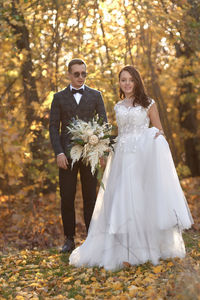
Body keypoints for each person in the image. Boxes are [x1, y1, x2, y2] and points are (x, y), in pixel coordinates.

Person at [69, 65, 193, 270]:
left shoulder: (148, 103)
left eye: (130, 80)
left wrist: (154, 138)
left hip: (143, 156)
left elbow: (158, 129)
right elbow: (120, 134)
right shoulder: (118, 106)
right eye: (123, 80)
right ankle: (124, 247)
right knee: (122, 198)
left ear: (137, 82)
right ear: (120, 83)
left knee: (142, 198)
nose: (126, 83)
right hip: (122, 158)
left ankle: (147, 245)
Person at [49, 59, 107, 253]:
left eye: (84, 73)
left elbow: (104, 126)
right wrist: (58, 152)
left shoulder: (96, 95)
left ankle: (92, 238)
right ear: (69, 74)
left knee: (90, 198)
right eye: (77, 74)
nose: (80, 77)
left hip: (90, 155)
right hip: (66, 156)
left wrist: (101, 152)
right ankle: (69, 239)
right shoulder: (58, 98)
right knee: (67, 197)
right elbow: (53, 128)